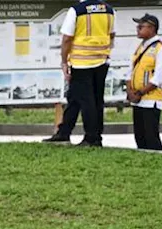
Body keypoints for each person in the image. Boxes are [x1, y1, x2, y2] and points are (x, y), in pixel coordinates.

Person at [43, 0, 115, 147]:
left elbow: (67, 39)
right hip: (102, 61)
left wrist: (64, 61)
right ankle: (64, 132)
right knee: (84, 98)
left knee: (86, 101)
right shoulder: (108, 9)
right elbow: (112, 34)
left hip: (82, 62)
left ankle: (92, 138)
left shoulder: (77, 10)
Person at [126, 14, 162, 152]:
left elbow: (158, 78)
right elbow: (130, 71)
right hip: (137, 99)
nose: (137, 29)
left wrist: (140, 93)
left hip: (151, 99)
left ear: (152, 28)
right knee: (140, 136)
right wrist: (129, 91)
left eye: (141, 26)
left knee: (151, 136)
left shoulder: (161, 49)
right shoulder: (140, 47)